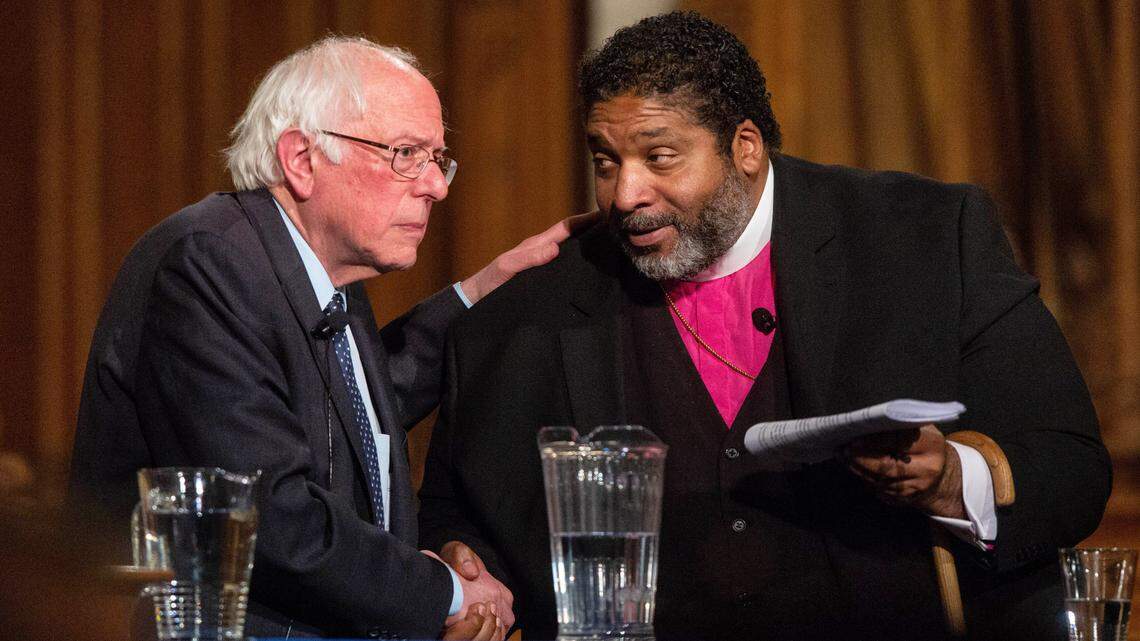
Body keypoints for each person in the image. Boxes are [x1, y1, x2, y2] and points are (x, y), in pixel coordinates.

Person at [418, 11, 1112, 641]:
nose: (625, 194)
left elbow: (1071, 467)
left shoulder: (926, 238)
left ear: (744, 146)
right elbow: (461, 504)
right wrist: (461, 558)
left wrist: (951, 479)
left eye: (659, 157)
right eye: (607, 161)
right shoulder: (539, 300)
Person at [69, 36, 583, 639]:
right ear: (302, 159)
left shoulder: (318, 272)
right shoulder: (208, 262)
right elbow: (273, 518)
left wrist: (477, 297)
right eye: (406, 153)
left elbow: (342, 409)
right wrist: (443, 593)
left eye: (436, 158)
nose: (436, 187)